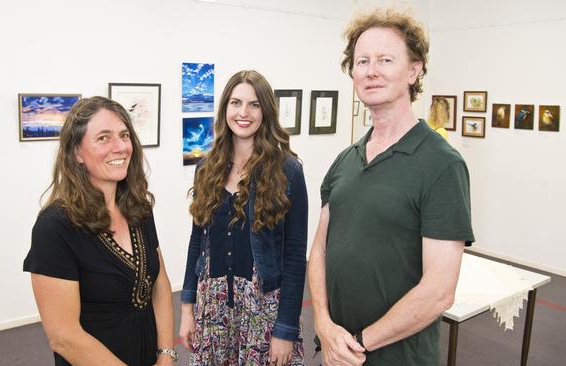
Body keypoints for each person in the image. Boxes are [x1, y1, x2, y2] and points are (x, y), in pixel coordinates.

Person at [308, 8, 474, 366]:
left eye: (385, 59)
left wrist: (357, 343)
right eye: (362, 61)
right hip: (337, 351)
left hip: (396, 356)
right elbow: (319, 252)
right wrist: (323, 324)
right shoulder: (345, 161)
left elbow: (439, 292)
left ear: (414, 70)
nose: (372, 70)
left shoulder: (442, 165)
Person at [23, 96, 176, 366]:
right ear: (77, 153)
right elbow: (64, 336)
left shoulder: (138, 208)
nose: (119, 147)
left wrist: (166, 353)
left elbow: (160, 283)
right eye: (103, 138)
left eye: (124, 135)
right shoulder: (55, 227)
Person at [179, 70, 308, 366]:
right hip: (213, 307)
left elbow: (294, 254)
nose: (243, 113)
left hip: (264, 309)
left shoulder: (288, 172)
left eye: (254, 104)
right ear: (225, 108)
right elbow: (197, 240)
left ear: (266, 111)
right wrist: (187, 309)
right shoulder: (206, 168)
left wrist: (285, 330)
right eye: (236, 103)